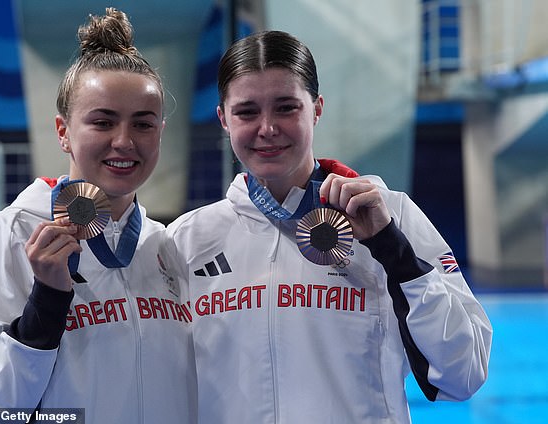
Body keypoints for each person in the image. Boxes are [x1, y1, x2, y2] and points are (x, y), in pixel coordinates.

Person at [160, 30, 492, 423]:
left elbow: (463, 374)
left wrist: (394, 253)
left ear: (316, 109)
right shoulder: (187, 239)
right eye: (247, 112)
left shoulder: (391, 216)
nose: (267, 128)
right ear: (223, 119)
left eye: (286, 108)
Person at [0, 8, 196, 423]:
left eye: (143, 124)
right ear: (63, 132)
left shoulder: (168, 247)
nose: (124, 141)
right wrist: (46, 305)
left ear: (161, 132)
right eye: (103, 122)